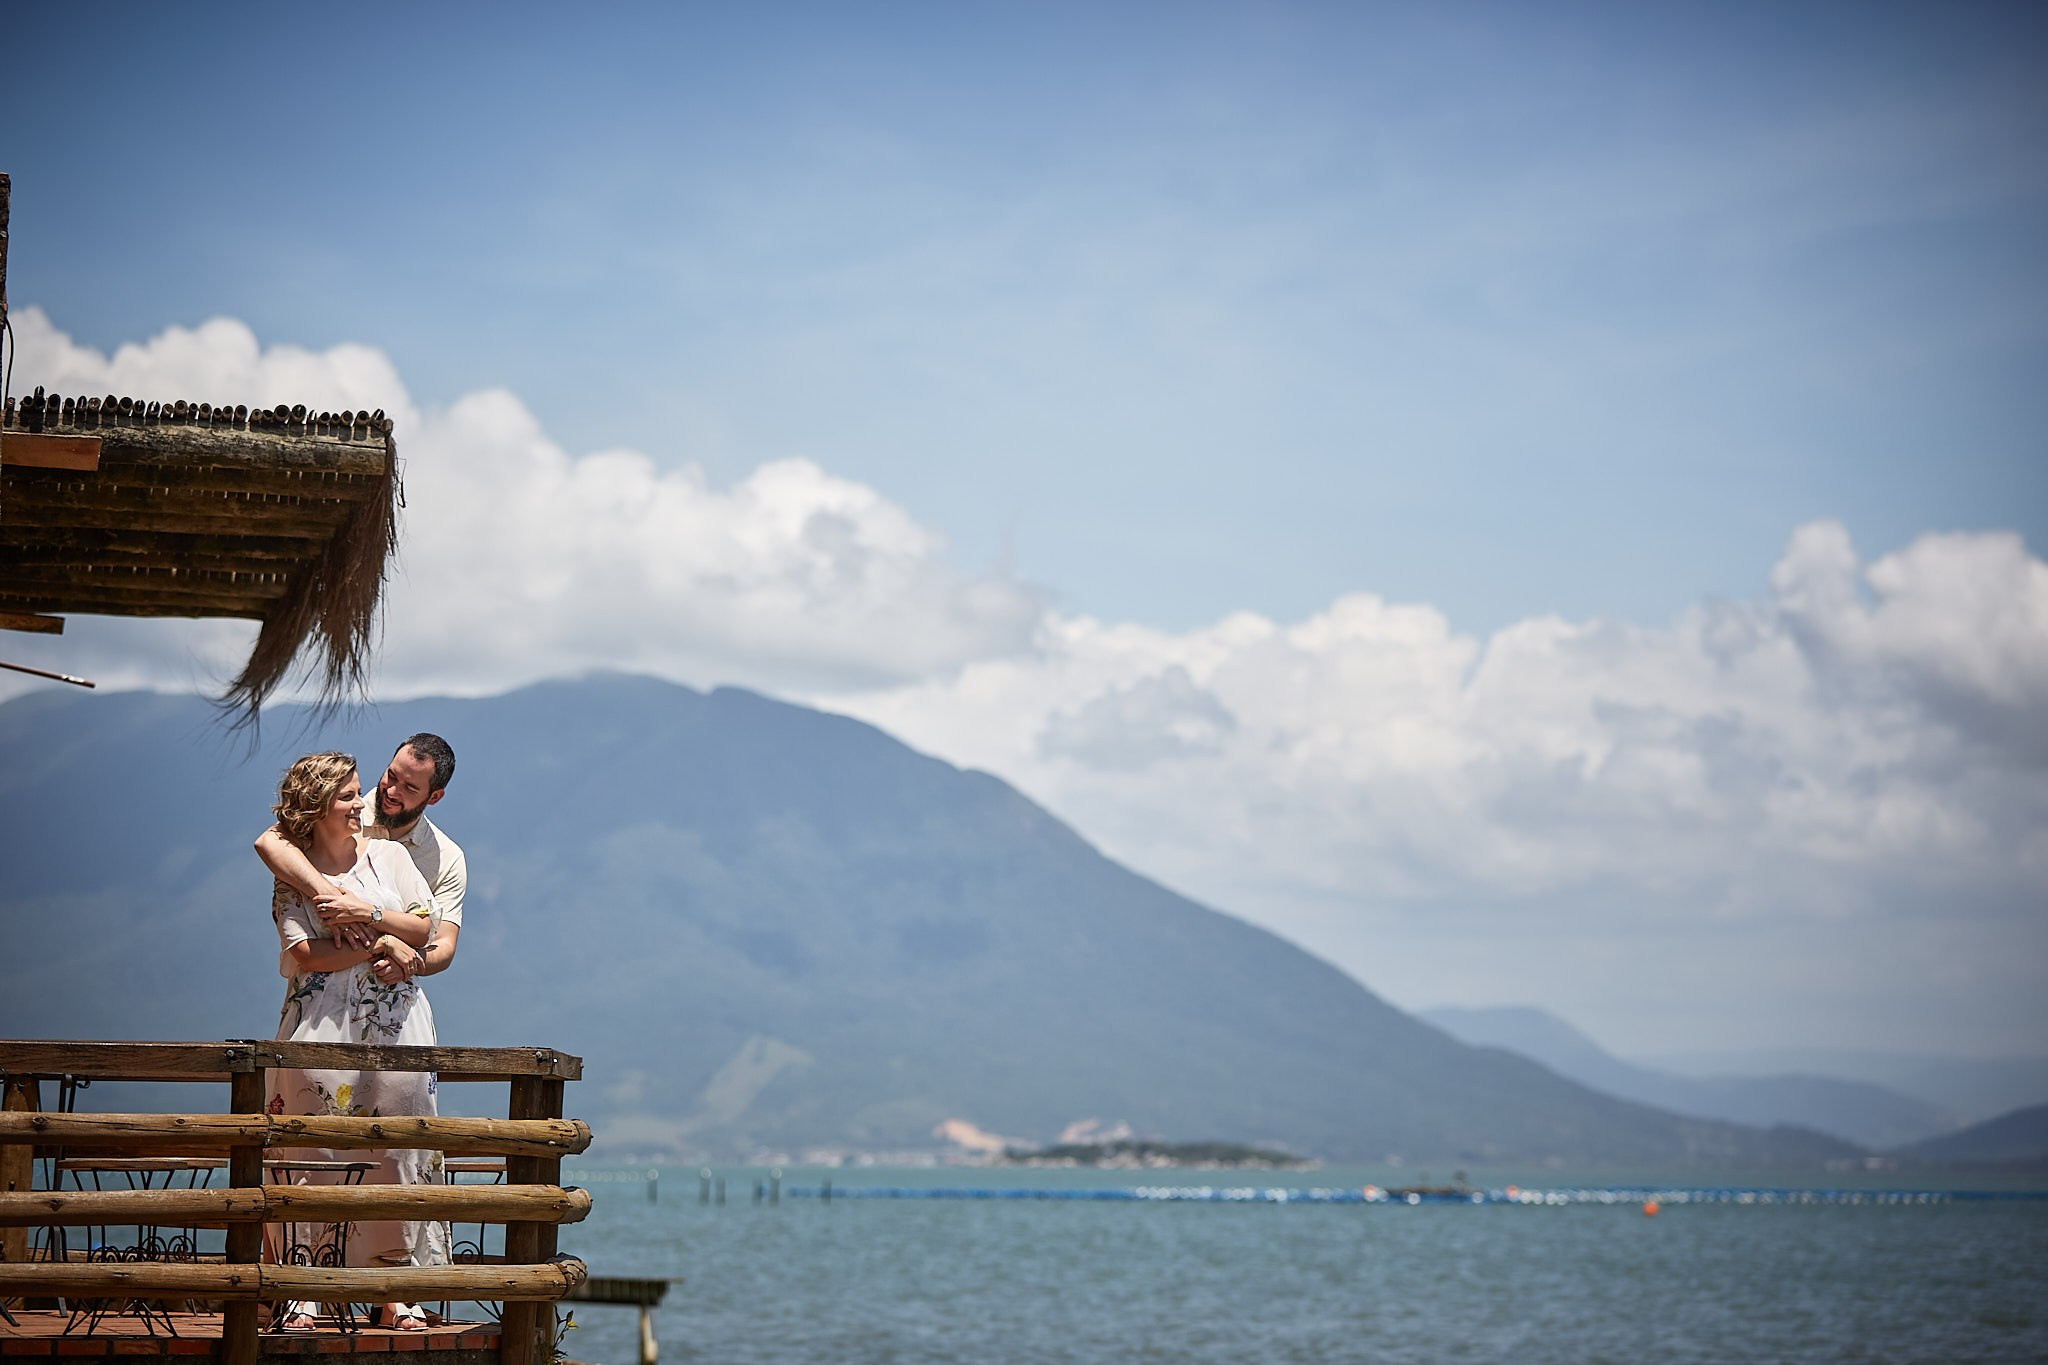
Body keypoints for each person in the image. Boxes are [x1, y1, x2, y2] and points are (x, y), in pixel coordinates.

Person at [262, 751, 451, 1332]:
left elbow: (426, 926)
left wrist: (370, 916)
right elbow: (302, 955)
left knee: (397, 1150)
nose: (360, 801)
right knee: (310, 1153)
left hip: (397, 1027)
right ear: (319, 807)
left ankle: (392, 1286)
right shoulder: (293, 879)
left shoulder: (392, 856)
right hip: (319, 1025)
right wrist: (374, 947)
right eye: (348, 794)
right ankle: (304, 1287)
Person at [257, 734, 466, 986]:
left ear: (434, 797)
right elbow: (269, 841)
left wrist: (404, 961)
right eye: (392, 775)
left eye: (409, 788)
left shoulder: (447, 858)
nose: (391, 791)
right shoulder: (338, 813)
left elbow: (442, 943)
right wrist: (329, 895)